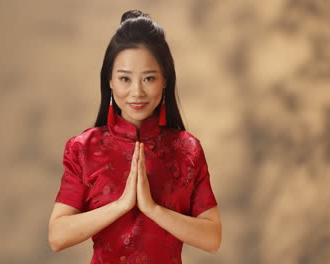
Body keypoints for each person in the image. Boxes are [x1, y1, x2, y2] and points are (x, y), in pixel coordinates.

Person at [48, 10, 222, 263]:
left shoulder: (187, 149)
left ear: (165, 81)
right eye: (125, 79)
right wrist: (121, 205)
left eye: (149, 78)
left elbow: (212, 238)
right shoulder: (84, 149)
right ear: (109, 80)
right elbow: (57, 236)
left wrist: (152, 208)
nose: (136, 92)